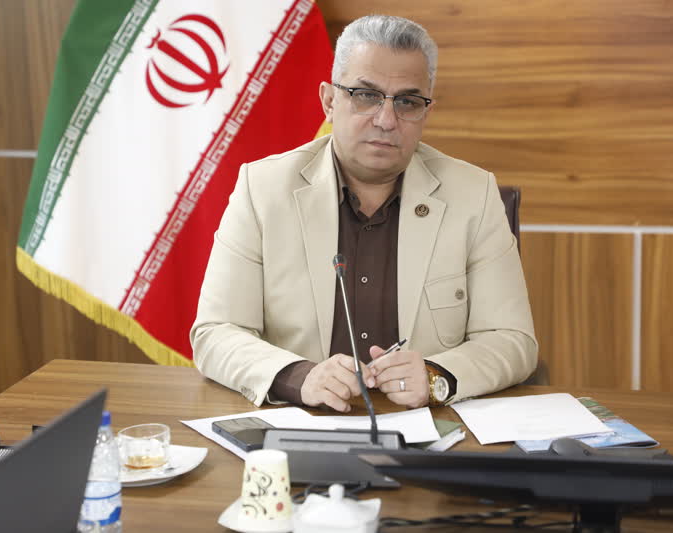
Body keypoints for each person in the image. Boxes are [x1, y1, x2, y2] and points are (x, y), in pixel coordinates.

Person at [191, 15, 537, 412]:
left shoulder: (473, 195)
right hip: (302, 420)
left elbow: (513, 340)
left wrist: (436, 376)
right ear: (329, 101)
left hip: (426, 424)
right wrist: (299, 377)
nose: (386, 120)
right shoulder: (263, 189)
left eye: (407, 102)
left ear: (425, 112)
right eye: (365, 95)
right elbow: (216, 332)